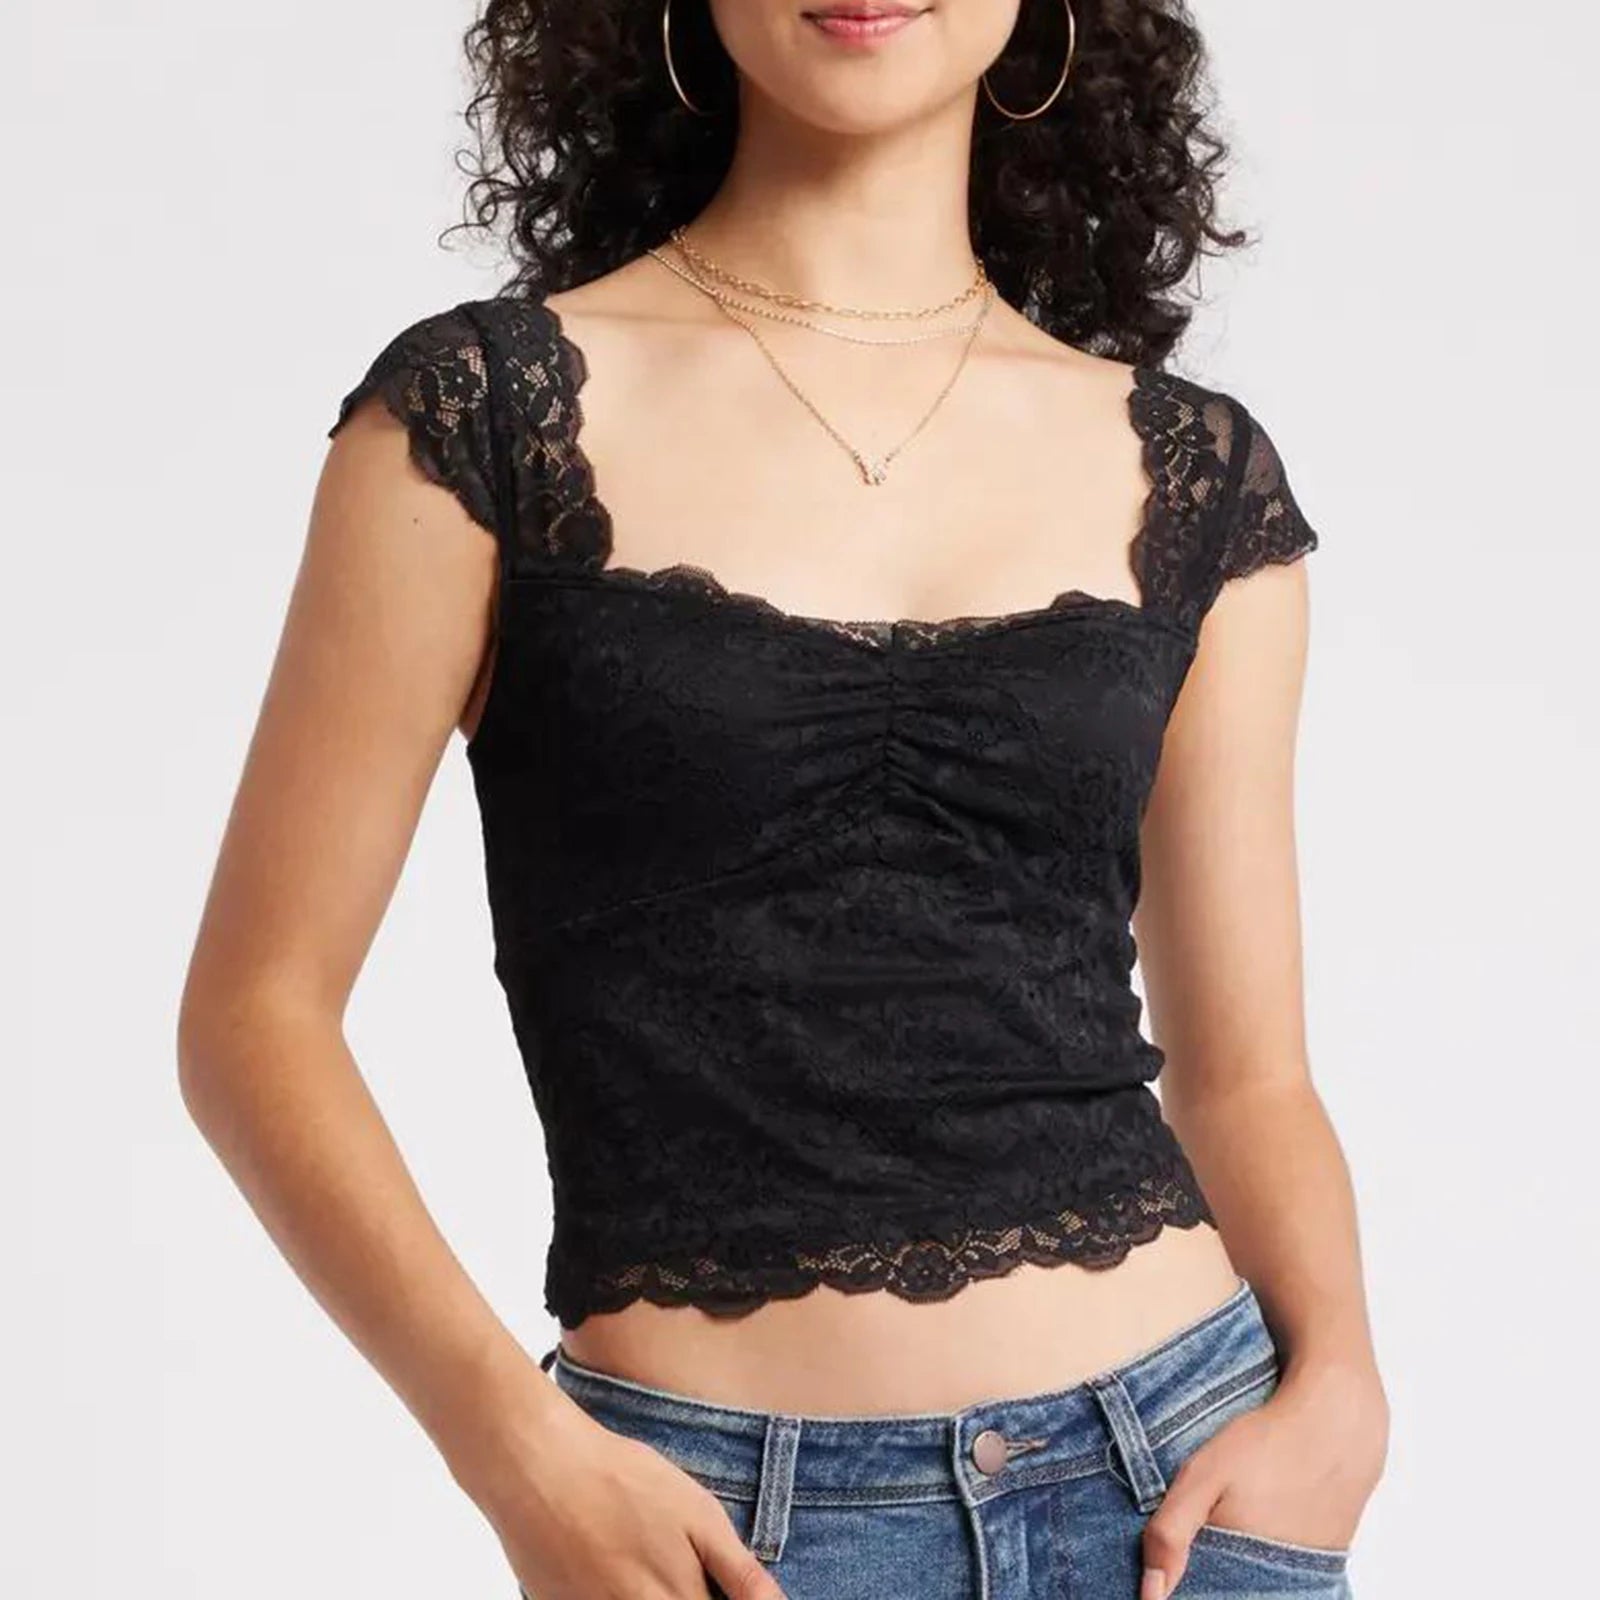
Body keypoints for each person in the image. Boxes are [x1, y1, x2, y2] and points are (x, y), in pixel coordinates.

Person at [177, 2, 1389, 1597]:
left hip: (1178, 1490)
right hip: (711, 1533)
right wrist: (515, 1450)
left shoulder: (1198, 475)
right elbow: (256, 1016)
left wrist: (1342, 1386)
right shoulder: (483, 419)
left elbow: (1249, 1078)